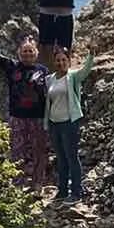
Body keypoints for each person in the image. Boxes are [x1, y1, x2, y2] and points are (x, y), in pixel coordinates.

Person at [0, 22, 48, 191]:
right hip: (17, 117)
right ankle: (18, 184)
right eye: (25, 51)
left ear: (36, 53)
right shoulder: (12, 67)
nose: (28, 53)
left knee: (39, 151)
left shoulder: (43, 71)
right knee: (17, 151)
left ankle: (38, 183)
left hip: (37, 117)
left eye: (31, 51)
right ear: (19, 53)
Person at [43, 44, 95, 203]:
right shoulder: (49, 79)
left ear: (69, 61)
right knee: (60, 158)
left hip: (69, 123)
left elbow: (86, 71)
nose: (60, 63)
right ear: (54, 62)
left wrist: (91, 55)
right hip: (54, 123)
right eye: (58, 60)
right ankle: (63, 191)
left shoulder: (73, 76)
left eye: (64, 60)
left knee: (72, 157)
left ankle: (76, 193)